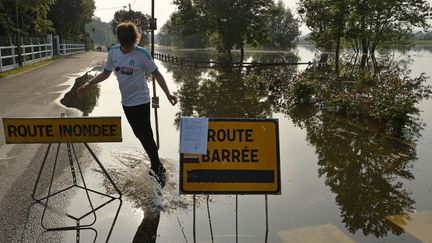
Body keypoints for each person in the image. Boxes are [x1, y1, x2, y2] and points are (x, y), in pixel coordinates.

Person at [77, 21, 177, 188]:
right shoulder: (114, 51)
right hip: (127, 103)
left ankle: (157, 167)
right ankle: (156, 163)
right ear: (119, 40)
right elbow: (106, 73)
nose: (128, 49)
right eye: (125, 46)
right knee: (139, 134)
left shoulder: (142, 54)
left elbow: (157, 74)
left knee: (145, 133)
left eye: (130, 46)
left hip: (142, 100)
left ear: (135, 40)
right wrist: (88, 84)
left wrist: (168, 93)